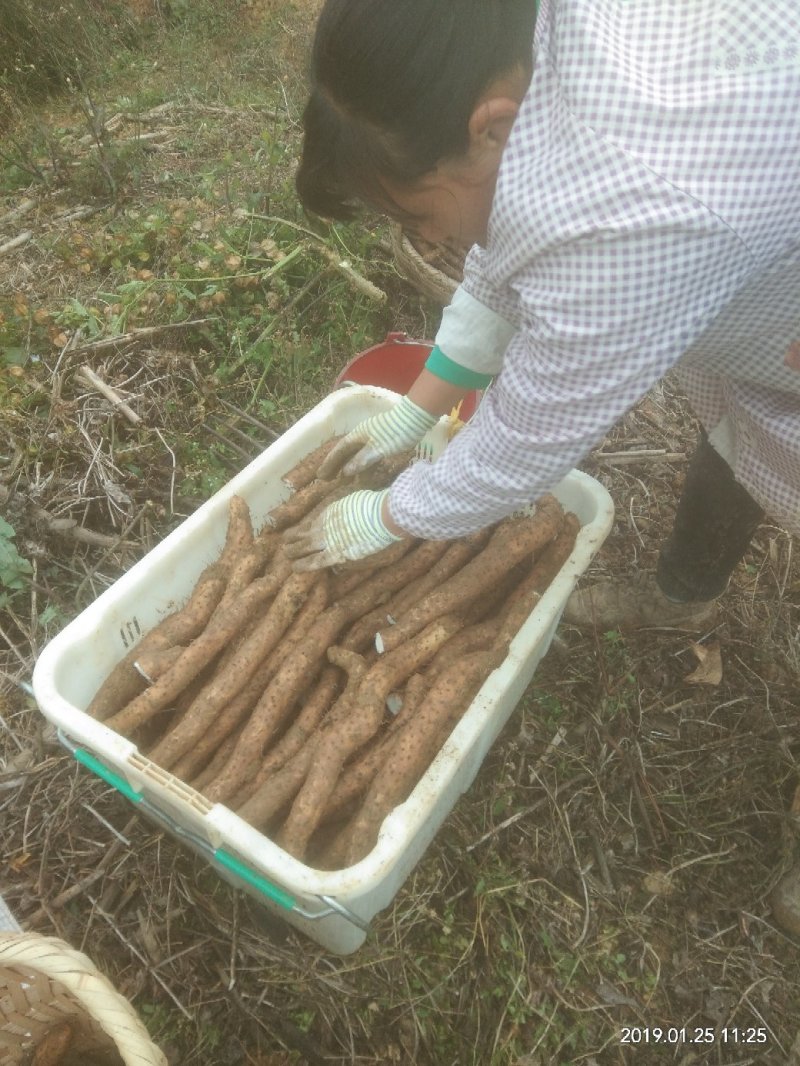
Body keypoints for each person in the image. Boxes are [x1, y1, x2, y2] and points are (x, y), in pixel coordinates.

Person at [283, 0, 800, 927]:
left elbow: (524, 445)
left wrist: (387, 515)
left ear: (489, 127)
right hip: (768, 278)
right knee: (737, 441)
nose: (429, 240)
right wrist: (420, 406)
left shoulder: (636, 211)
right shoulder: (531, 67)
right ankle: (684, 595)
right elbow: (505, 245)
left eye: (414, 213)